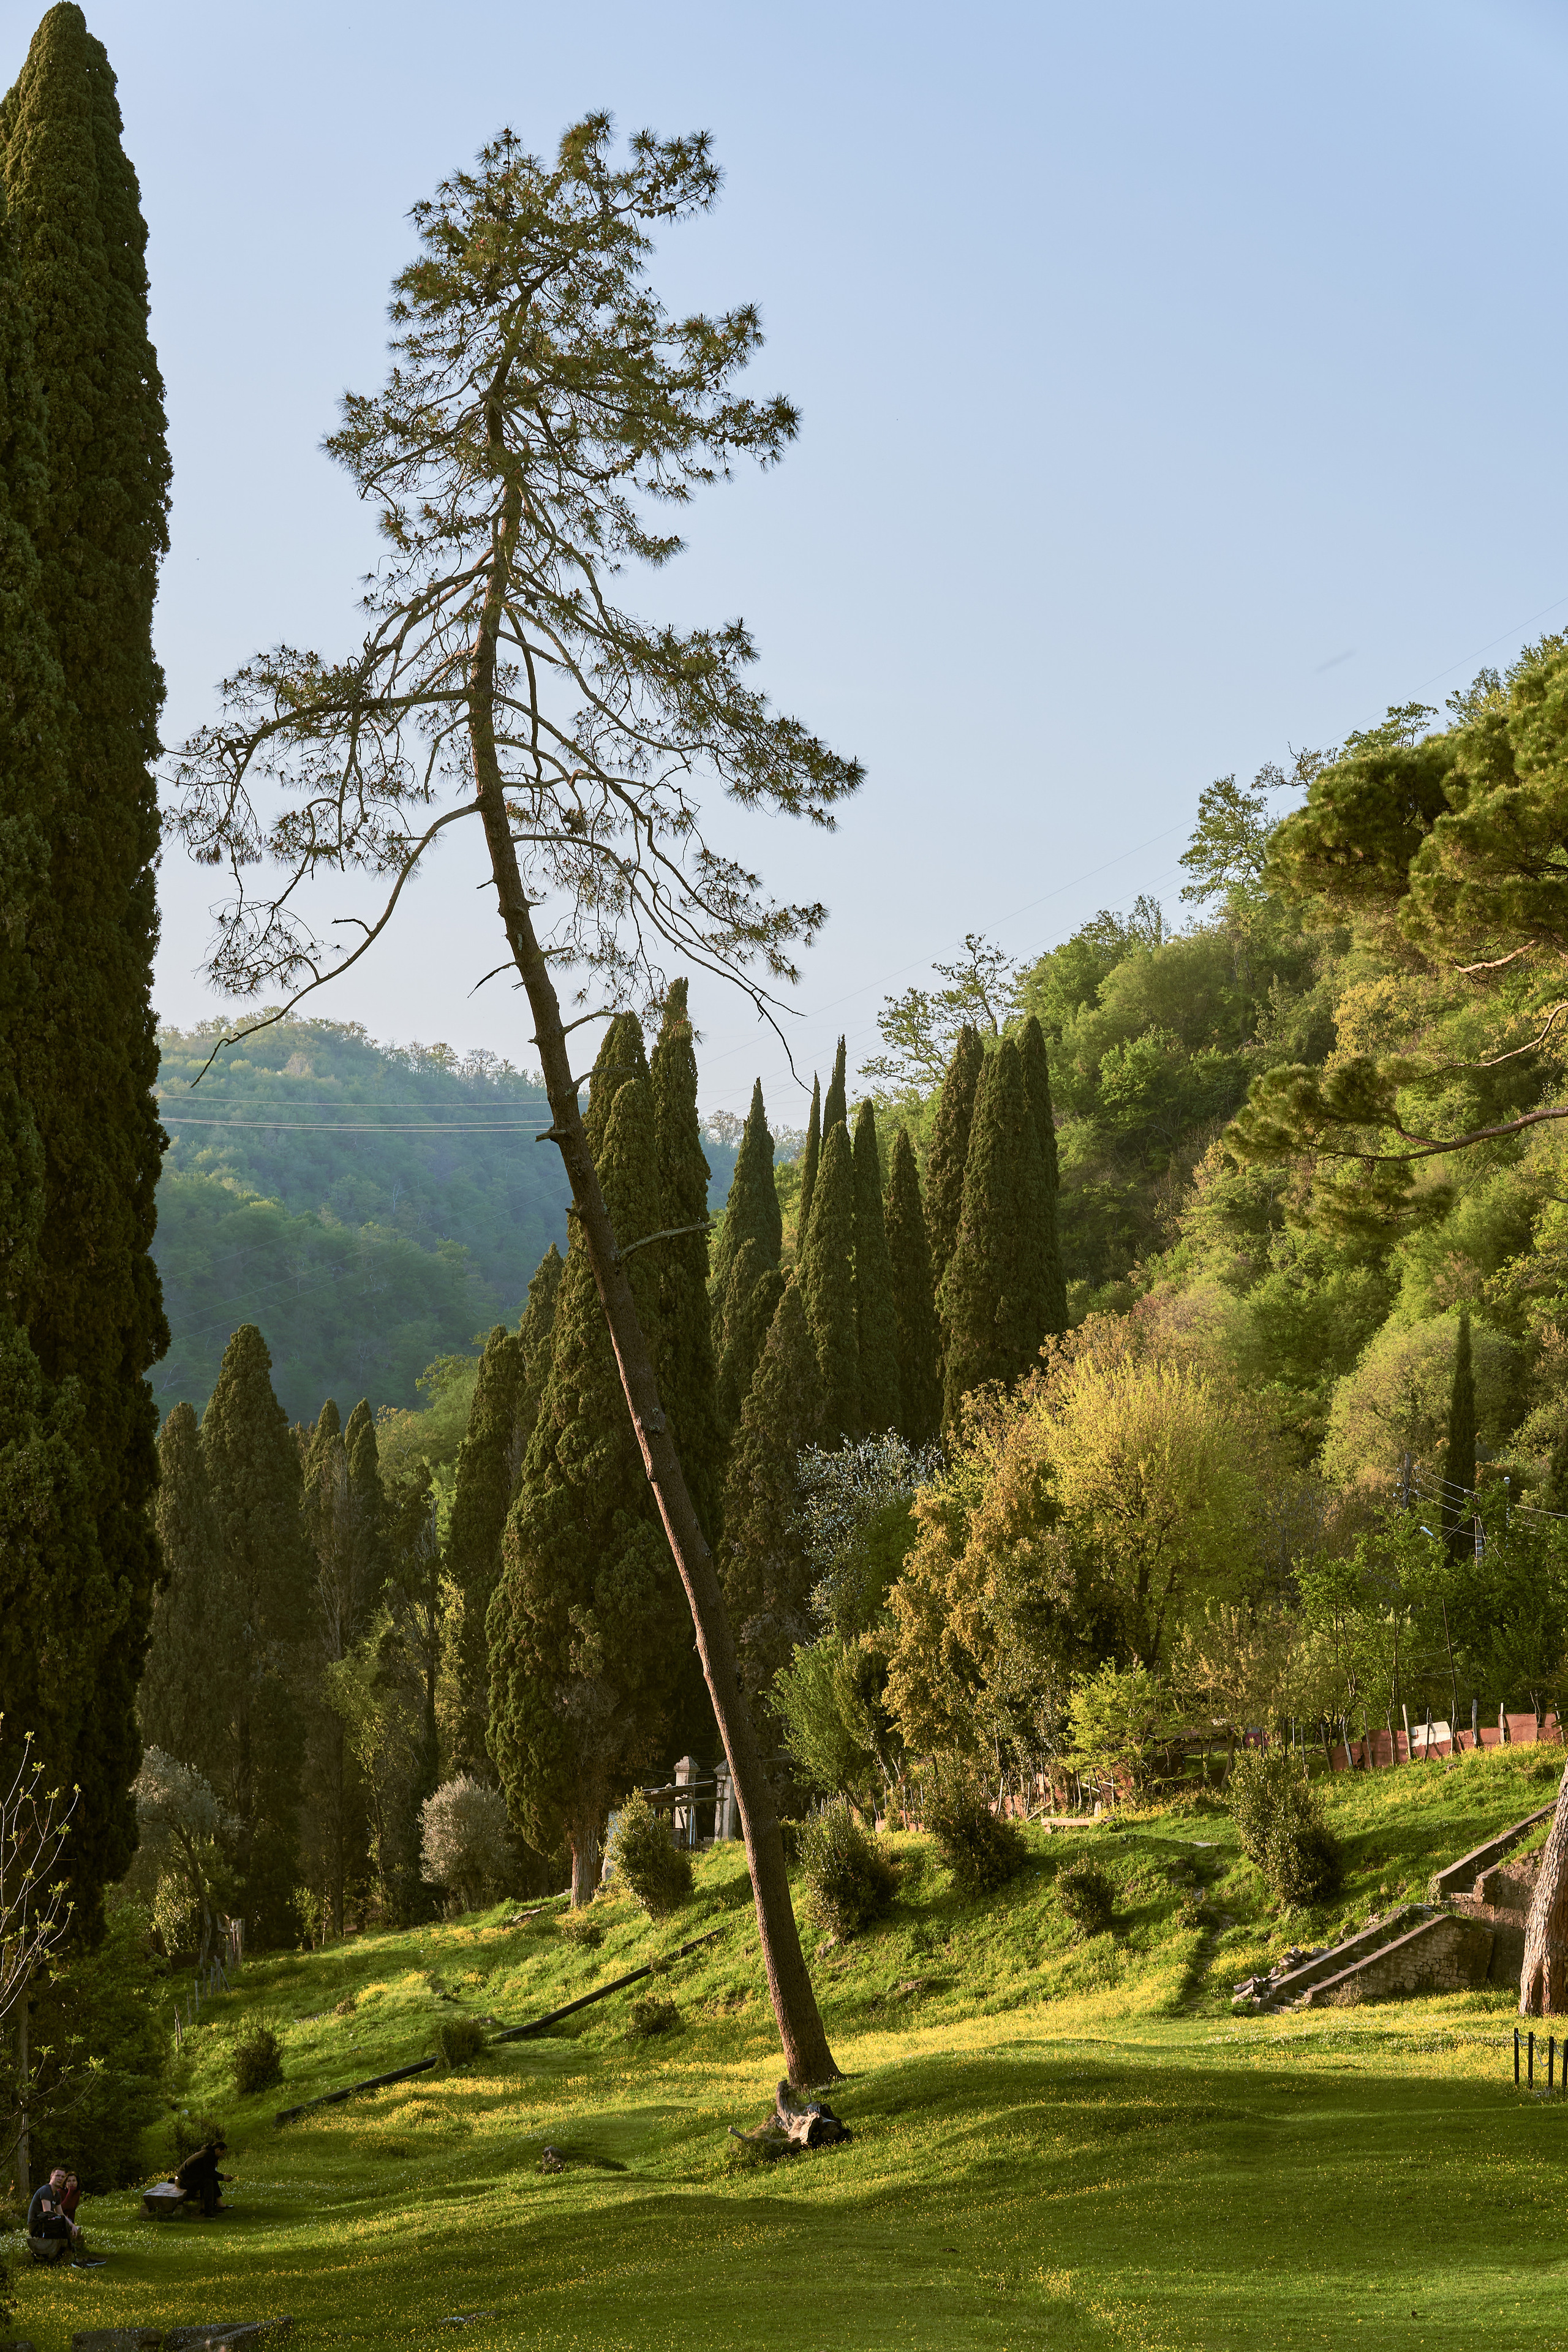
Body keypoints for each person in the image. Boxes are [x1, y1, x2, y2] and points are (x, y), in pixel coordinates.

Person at [27, 2168, 82, 2261]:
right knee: (62, 2224)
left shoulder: (56, 2194)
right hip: (37, 2227)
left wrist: (72, 2225)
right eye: (58, 2176)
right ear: (52, 2176)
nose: (60, 2178)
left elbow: (61, 2213)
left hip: (46, 2225)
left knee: (65, 2223)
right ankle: (67, 2257)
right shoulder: (46, 2190)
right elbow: (47, 2213)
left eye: (63, 2177)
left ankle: (68, 2256)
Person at [175, 2138, 232, 2219]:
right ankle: (208, 2212)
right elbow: (209, 2173)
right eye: (222, 2153)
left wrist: (222, 2177)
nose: (222, 2155)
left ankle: (214, 2205)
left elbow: (210, 2172)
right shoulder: (208, 2155)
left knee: (211, 2179)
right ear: (218, 2150)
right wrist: (223, 2177)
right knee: (208, 2182)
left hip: (186, 2179)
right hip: (183, 2182)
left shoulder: (208, 2153)